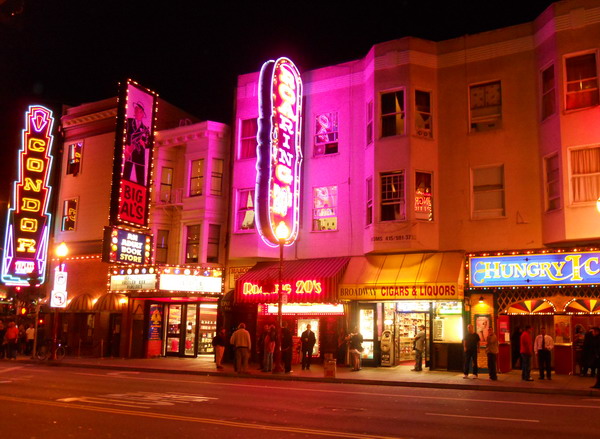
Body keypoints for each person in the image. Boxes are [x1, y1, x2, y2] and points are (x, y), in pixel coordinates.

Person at [123, 101, 151, 185]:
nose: (138, 113)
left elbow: (149, 144)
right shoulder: (129, 122)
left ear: (142, 114)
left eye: (140, 111)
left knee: (140, 180)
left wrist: (143, 143)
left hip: (139, 156)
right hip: (130, 153)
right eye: (136, 110)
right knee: (126, 176)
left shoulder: (145, 128)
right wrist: (127, 146)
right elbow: (125, 135)